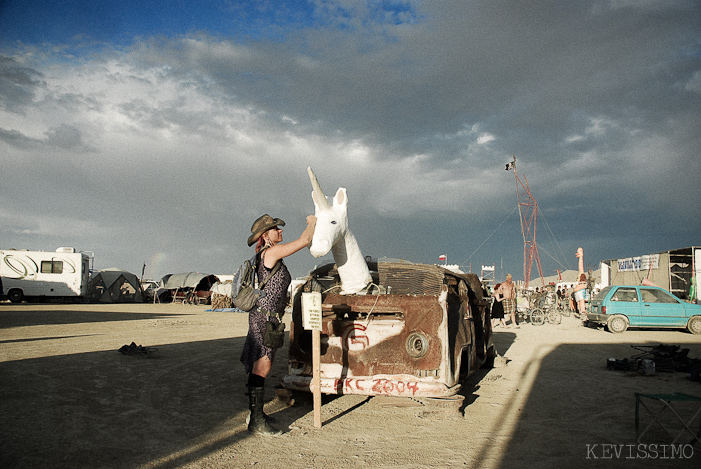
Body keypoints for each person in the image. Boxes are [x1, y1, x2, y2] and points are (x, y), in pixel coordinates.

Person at [240, 213, 316, 435]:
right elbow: (303, 241)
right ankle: (255, 420)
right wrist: (313, 223)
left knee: (259, 366)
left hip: (265, 317)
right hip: (265, 318)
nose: (280, 231)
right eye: (276, 229)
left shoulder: (268, 255)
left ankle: (255, 414)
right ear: (266, 236)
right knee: (262, 367)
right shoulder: (271, 252)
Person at [573, 247, 587, 316]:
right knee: (579, 301)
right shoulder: (579, 276)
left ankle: (583, 311)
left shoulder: (582, 275)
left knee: (581, 301)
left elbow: (581, 267)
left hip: (580, 291)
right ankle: (580, 311)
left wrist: (581, 257)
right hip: (578, 292)